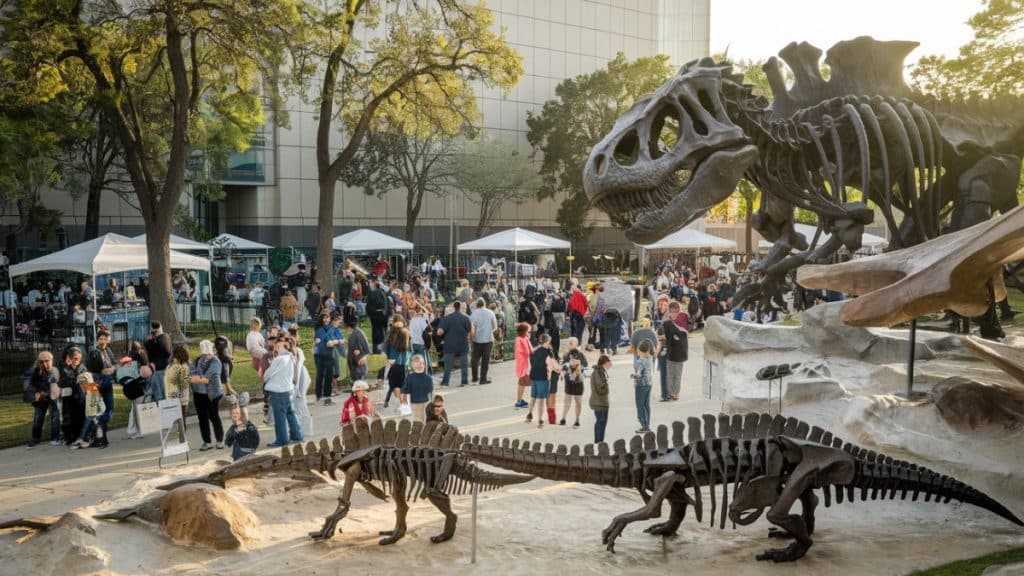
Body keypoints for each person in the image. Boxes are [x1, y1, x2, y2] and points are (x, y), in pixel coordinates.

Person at [263, 338, 303, 448]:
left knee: (279, 417)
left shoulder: (280, 359)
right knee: (290, 413)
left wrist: (271, 365)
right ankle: (297, 435)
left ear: (283, 344)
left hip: (279, 391)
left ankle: (282, 440)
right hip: (288, 389)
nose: (275, 345)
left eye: (278, 343)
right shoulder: (290, 356)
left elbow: (266, 375)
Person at [190, 339, 225, 451]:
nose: (206, 352)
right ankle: (207, 442)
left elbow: (205, 379)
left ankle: (220, 440)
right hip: (198, 394)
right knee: (202, 418)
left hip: (211, 394)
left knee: (214, 416)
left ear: (212, 350)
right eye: (203, 349)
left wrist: (194, 378)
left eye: (208, 349)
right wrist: (193, 378)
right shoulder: (197, 360)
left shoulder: (216, 362)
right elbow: (190, 373)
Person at [86, 330, 116, 448]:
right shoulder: (93, 352)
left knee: (109, 409)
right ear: (97, 340)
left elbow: (114, 364)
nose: (103, 341)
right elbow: (93, 369)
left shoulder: (108, 351)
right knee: (100, 410)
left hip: (108, 382)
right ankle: (100, 438)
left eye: (105, 339)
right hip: (97, 383)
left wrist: (112, 369)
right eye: (101, 339)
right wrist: (104, 371)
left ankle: (99, 431)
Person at [27, 351, 60, 448]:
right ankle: (35, 439)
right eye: (41, 361)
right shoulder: (35, 372)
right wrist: (37, 393)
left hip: (53, 397)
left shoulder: (55, 370)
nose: (44, 364)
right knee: (38, 418)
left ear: (51, 360)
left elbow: (57, 384)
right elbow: (31, 386)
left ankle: (55, 438)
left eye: (47, 361)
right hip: (41, 399)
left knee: (55, 417)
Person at [437, 301, 473, 387]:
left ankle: (445, 382)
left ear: (454, 308)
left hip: (450, 345)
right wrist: (468, 338)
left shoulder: (446, 318)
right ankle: (464, 381)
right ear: (460, 308)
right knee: (464, 365)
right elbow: (470, 331)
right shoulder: (465, 318)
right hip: (463, 345)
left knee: (448, 366)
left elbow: (439, 332)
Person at [287, 328, 314, 436]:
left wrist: (297, 386)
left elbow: (297, 369)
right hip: (298, 379)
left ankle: (303, 429)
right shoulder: (293, 352)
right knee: (298, 404)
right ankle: (300, 428)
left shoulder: (298, 352)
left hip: (301, 379)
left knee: (300, 403)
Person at [661, 301, 689, 401]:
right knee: (669, 373)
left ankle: (675, 393)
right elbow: (662, 335)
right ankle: (670, 392)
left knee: (677, 373)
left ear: (678, 311)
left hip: (680, 351)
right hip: (670, 351)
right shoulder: (666, 322)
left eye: (675, 311)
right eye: (671, 311)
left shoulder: (683, 320)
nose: (673, 313)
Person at [58, 347, 86, 446]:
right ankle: (69, 437)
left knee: (81, 416)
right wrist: (72, 381)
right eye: (74, 358)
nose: (76, 360)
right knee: (69, 417)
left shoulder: (83, 367)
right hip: (69, 398)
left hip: (81, 397)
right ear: (70, 358)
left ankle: (81, 436)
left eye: (78, 357)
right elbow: (60, 383)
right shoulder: (65, 369)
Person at [70, 372, 106, 449]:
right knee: (89, 420)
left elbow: (94, 406)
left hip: (98, 411)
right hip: (93, 411)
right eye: (80, 383)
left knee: (91, 420)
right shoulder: (88, 389)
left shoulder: (93, 389)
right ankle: (86, 439)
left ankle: (83, 438)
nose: (81, 385)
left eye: (83, 382)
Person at [164, 344, 191, 443]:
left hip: (181, 398)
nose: (173, 358)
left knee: (181, 419)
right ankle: (177, 437)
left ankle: (182, 438)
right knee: (176, 419)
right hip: (173, 397)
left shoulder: (183, 367)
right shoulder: (172, 366)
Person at [314, 313, 343, 405]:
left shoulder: (332, 329)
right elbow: (317, 342)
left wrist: (334, 342)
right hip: (320, 355)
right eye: (324, 318)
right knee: (320, 375)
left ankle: (327, 397)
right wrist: (317, 343)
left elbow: (339, 340)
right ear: (321, 319)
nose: (326, 320)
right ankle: (319, 396)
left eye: (328, 318)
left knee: (329, 376)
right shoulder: (319, 330)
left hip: (329, 355)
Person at [383, 319, 412, 410]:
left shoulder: (392, 341)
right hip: (405, 366)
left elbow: (386, 350)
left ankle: (402, 403)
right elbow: (411, 352)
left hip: (395, 366)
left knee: (396, 386)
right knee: (404, 386)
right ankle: (405, 403)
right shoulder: (407, 340)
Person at [526, 333, 553, 428]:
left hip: (534, 376)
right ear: (548, 341)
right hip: (542, 377)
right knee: (541, 400)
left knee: (533, 397)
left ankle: (529, 415)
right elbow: (551, 364)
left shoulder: (534, 350)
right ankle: (540, 420)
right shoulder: (548, 352)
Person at [469, 298, 497, 384]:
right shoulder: (491, 313)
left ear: (477, 305)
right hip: (488, 339)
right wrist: (490, 330)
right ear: (485, 304)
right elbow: (495, 326)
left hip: (476, 340)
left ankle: (474, 378)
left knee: (475, 359)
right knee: (485, 360)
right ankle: (483, 379)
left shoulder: (473, 314)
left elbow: (472, 328)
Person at [144, 321, 172, 402]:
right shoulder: (154, 340)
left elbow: (166, 350)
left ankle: (162, 411)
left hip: (161, 370)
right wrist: (151, 341)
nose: (155, 332)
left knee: (161, 395)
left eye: (156, 330)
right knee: (156, 394)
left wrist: (152, 342)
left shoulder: (164, 337)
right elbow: (148, 348)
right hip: (155, 370)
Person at [401, 355, 433, 423]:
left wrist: (432, 404)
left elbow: (430, 393)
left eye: (422, 363)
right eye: (417, 364)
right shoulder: (410, 378)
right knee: (418, 421)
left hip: (426, 403)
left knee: (427, 420)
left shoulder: (428, 378)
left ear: (424, 365)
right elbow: (405, 390)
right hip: (414, 404)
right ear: (413, 366)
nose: (420, 365)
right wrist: (404, 402)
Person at [633, 340, 654, 433]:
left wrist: (633, 376)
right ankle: (647, 424)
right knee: (646, 405)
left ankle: (643, 425)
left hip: (641, 385)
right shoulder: (650, 359)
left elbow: (638, 374)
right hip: (649, 384)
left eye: (638, 350)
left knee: (640, 405)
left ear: (642, 351)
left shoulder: (640, 361)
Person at [589, 355, 612, 443]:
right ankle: (598, 442)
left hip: (602, 402)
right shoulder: (598, 372)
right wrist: (606, 385)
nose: (611, 364)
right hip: (599, 402)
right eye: (609, 362)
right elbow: (600, 386)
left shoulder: (601, 371)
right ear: (605, 363)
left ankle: (600, 441)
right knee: (600, 422)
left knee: (602, 423)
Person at [344, 313, 370, 383]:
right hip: (354, 366)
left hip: (358, 366)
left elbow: (366, 349)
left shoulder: (358, 333)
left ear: (348, 326)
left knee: (358, 386)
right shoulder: (353, 334)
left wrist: (363, 357)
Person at [366, 279, 390, 353]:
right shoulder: (383, 294)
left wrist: (370, 313)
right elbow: (387, 305)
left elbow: (369, 306)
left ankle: (376, 348)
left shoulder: (372, 293)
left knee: (376, 332)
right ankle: (383, 347)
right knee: (383, 331)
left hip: (375, 316)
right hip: (383, 315)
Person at [409, 304, 433, 376]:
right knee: (423, 361)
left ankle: (420, 373)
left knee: (416, 360)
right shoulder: (422, 320)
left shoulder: (412, 320)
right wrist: (423, 307)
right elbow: (427, 313)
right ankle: (425, 375)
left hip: (413, 343)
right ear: (421, 311)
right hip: (421, 343)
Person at [513, 322, 532, 408]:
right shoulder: (520, 339)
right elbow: (527, 351)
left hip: (525, 364)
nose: (529, 333)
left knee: (522, 383)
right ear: (524, 332)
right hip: (523, 365)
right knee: (522, 383)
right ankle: (519, 401)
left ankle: (519, 400)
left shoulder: (524, 338)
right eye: (528, 332)